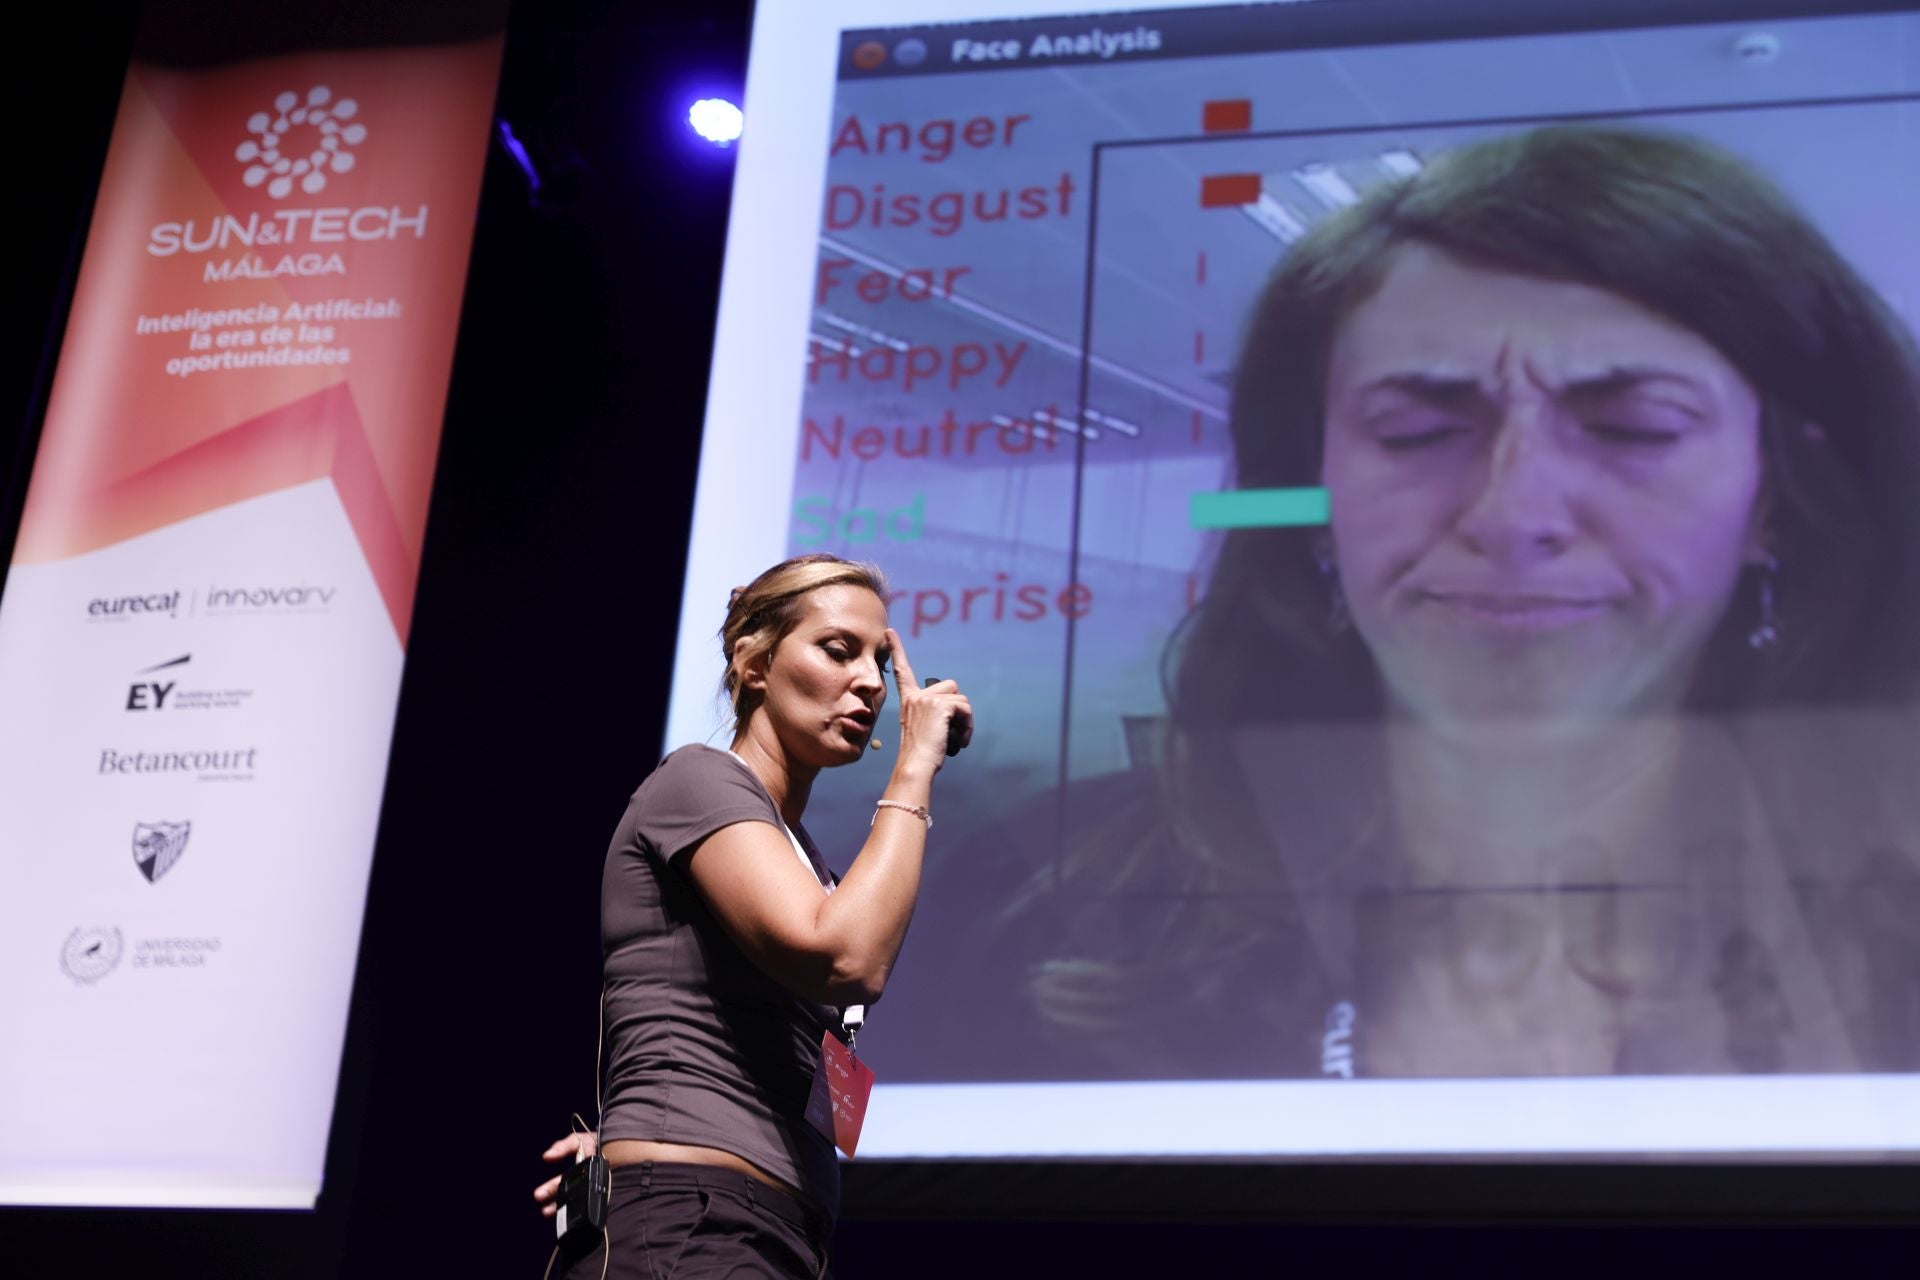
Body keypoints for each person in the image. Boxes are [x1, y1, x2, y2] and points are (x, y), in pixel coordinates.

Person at [879, 122, 1920, 1083]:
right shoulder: (1021, 905)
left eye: (1636, 426)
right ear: (1318, 500)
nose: (1512, 514)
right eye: (1420, 430)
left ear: (1776, 499)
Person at [532, 553, 971, 1277]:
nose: (869, 681)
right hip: (692, 1220)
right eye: (838, 650)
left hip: (761, 1228)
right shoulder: (699, 782)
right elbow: (847, 958)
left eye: (876, 659)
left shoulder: (809, 865)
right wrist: (914, 768)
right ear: (754, 663)